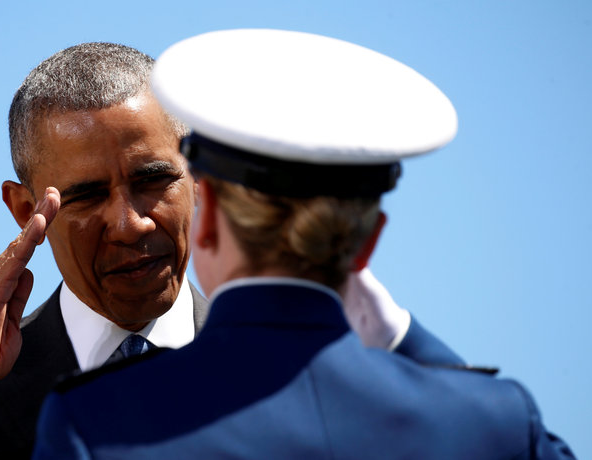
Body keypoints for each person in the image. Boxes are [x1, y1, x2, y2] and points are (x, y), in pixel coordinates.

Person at [0, 41, 451, 459]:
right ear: (26, 211)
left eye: (153, 179)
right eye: (83, 196)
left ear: (201, 182)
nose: (130, 224)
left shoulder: (307, 384)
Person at [33, 29, 575, 459]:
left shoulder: (99, 426)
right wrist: (410, 345)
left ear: (208, 216)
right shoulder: (493, 422)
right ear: (368, 245)